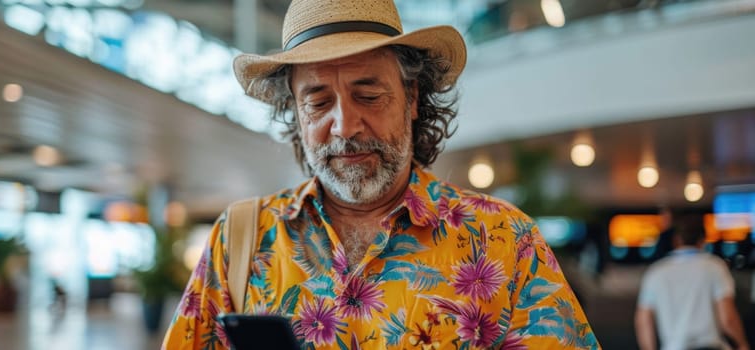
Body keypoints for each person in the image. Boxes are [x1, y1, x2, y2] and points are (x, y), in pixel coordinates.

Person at [163, 0, 598, 348]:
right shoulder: (241, 240)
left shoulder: (505, 241)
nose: (345, 125)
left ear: (411, 98)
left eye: (368, 95)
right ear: (295, 113)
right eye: (317, 102)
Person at [635, 217, 750, 350]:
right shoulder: (714, 267)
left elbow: (643, 322)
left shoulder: (656, 272)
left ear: (676, 240)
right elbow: (727, 318)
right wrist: (742, 344)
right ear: (702, 240)